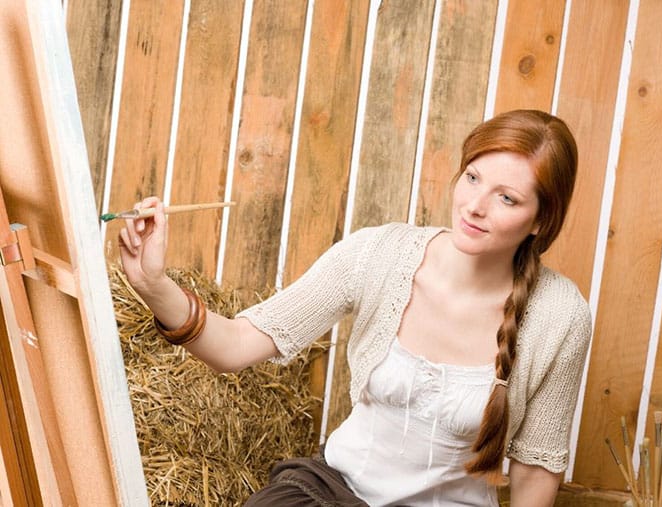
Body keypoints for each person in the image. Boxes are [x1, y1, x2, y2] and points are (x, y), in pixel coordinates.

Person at [118, 109, 592, 507]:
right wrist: (153, 283)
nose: (474, 206)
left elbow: (534, 468)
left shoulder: (560, 316)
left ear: (540, 221)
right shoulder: (377, 255)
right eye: (472, 177)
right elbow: (236, 346)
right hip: (334, 495)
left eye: (506, 198)